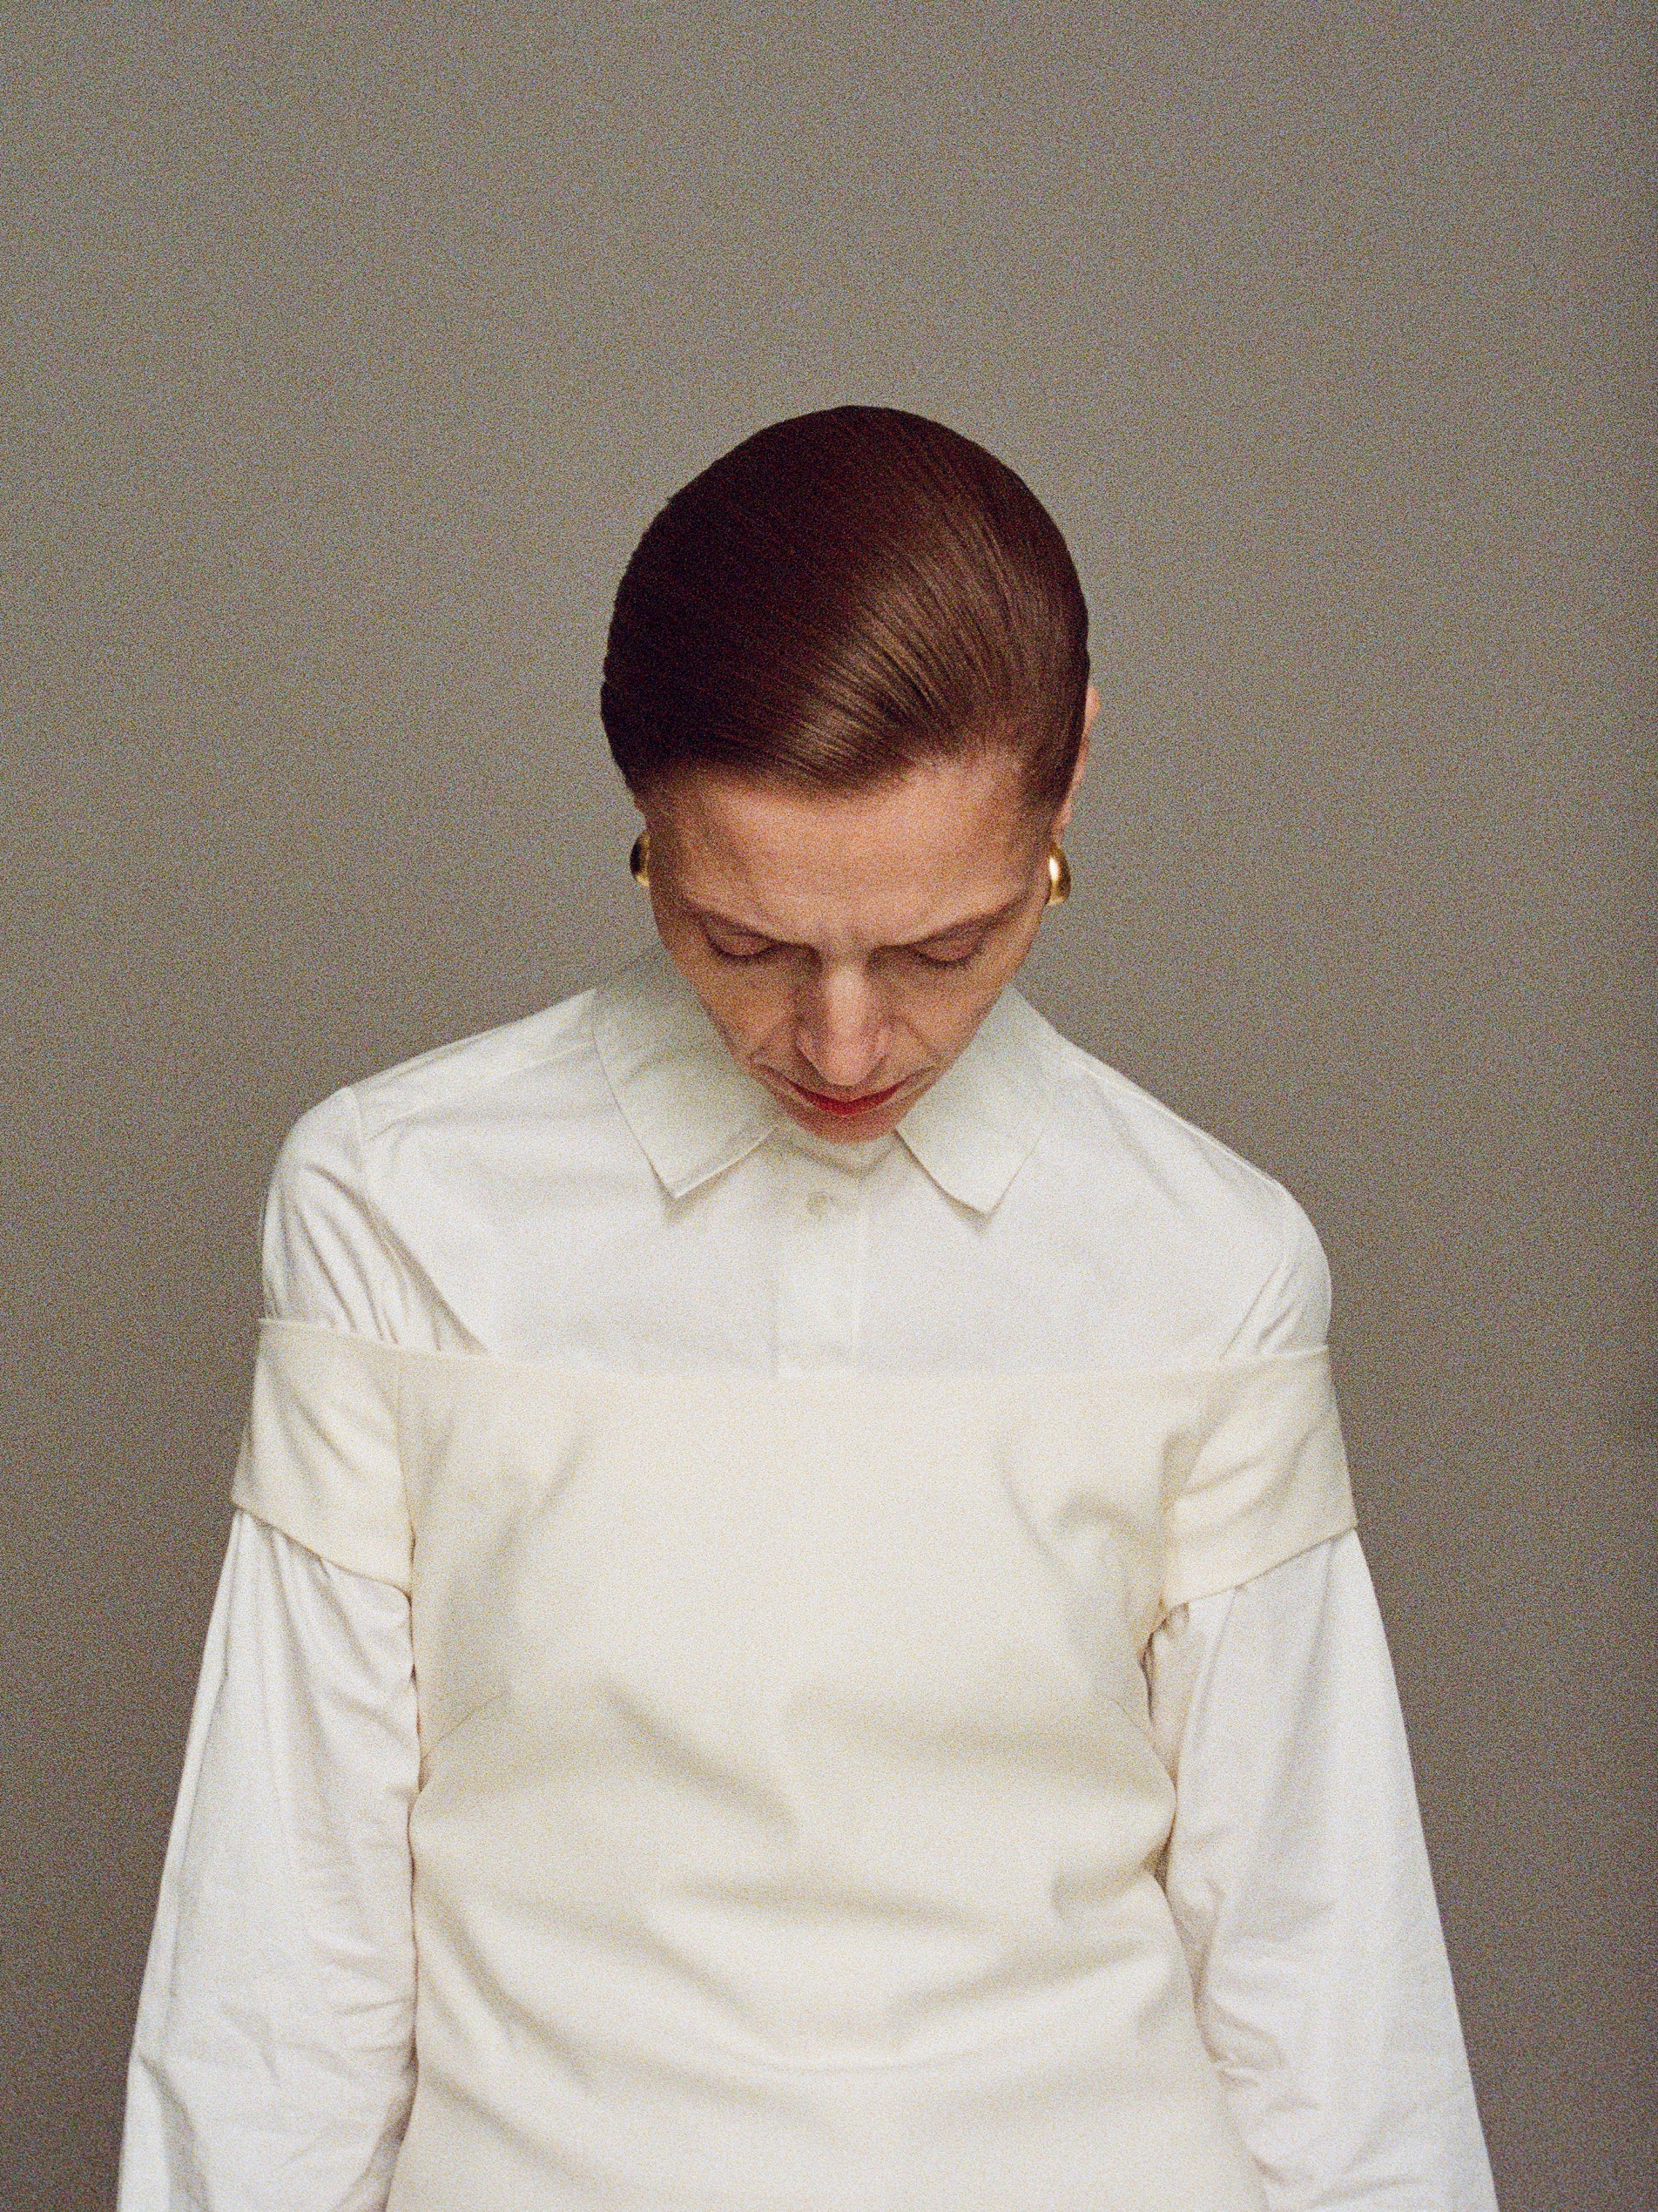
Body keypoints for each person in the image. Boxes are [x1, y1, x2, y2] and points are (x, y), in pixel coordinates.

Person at [119, 407, 1498, 2210]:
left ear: (1071, 776)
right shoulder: (399, 1207)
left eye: (943, 946)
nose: (843, 1047)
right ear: (641, 813)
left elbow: (1332, 2000)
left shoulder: (1209, 1265)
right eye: (744, 941)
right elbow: (276, 1972)